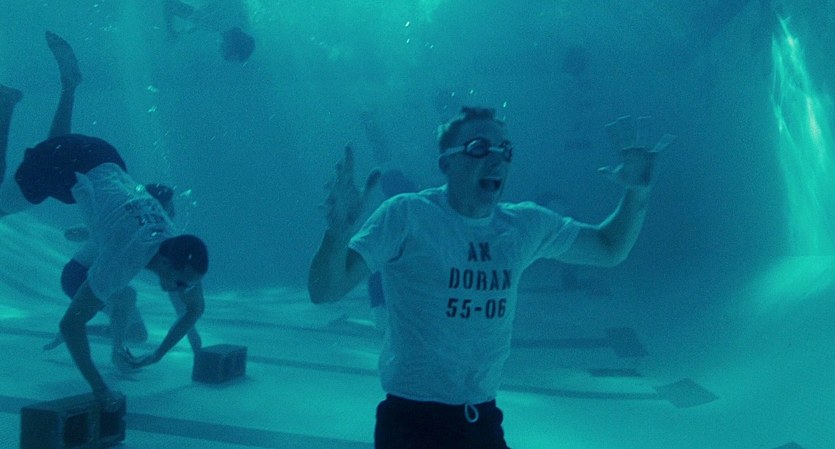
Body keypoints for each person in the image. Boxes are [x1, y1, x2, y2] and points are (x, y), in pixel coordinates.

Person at [308, 106, 675, 448]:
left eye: (505, 150)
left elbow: (610, 247)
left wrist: (637, 192)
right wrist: (337, 233)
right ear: (446, 163)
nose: (497, 158)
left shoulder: (523, 225)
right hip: (410, 421)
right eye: (479, 147)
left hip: (482, 419)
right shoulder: (407, 216)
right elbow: (325, 290)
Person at [1, 35, 209, 405]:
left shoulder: (172, 237)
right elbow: (70, 325)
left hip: (103, 157)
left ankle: (70, 86)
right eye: (180, 281)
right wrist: (101, 389)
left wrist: (159, 354)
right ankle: (5, 107)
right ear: (165, 264)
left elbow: (195, 307)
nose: (180, 289)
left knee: (55, 150)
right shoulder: (125, 257)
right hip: (72, 164)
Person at [163, 0, 256, 62]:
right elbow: (170, 4)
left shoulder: (244, 18)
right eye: (227, 54)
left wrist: (195, 26)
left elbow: (218, 11)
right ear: (231, 46)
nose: (219, 51)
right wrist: (170, 30)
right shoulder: (211, 23)